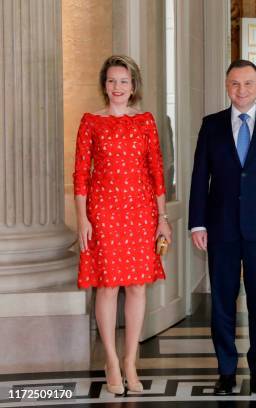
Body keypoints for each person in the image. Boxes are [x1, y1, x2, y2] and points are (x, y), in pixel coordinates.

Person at [188, 59, 256, 396]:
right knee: (222, 301)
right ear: (227, 86)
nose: (241, 90)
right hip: (220, 228)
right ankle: (225, 370)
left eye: (248, 83)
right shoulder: (211, 125)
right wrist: (197, 224)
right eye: (235, 83)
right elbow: (198, 178)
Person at [73, 55, 172, 395]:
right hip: (103, 213)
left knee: (137, 286)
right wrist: (82, 217)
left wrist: (162, 219)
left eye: (124, 81)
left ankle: (131, 360)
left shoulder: (145, 122)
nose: (118, 87)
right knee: (107, 286)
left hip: (141, 213)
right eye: (112, 80)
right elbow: (80, 175)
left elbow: (157, 172)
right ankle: (111, 360)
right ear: (105, 85)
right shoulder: (90, 122)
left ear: (133, 88)